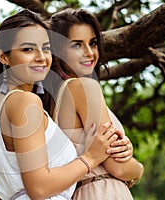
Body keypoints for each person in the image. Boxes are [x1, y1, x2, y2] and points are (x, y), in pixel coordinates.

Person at [0, 9, 122, 200]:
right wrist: (91, 157)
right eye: (28, 49)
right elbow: (38, 188)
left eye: (46, 48)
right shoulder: (24, 101)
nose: (41, 57)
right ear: (4, 57)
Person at [47, 8, 144, 199]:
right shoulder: (84, 87)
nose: (89, 53)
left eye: (92, 43)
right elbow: (119, 167)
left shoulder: (54, 97)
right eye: (76, 45)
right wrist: (138, 169)